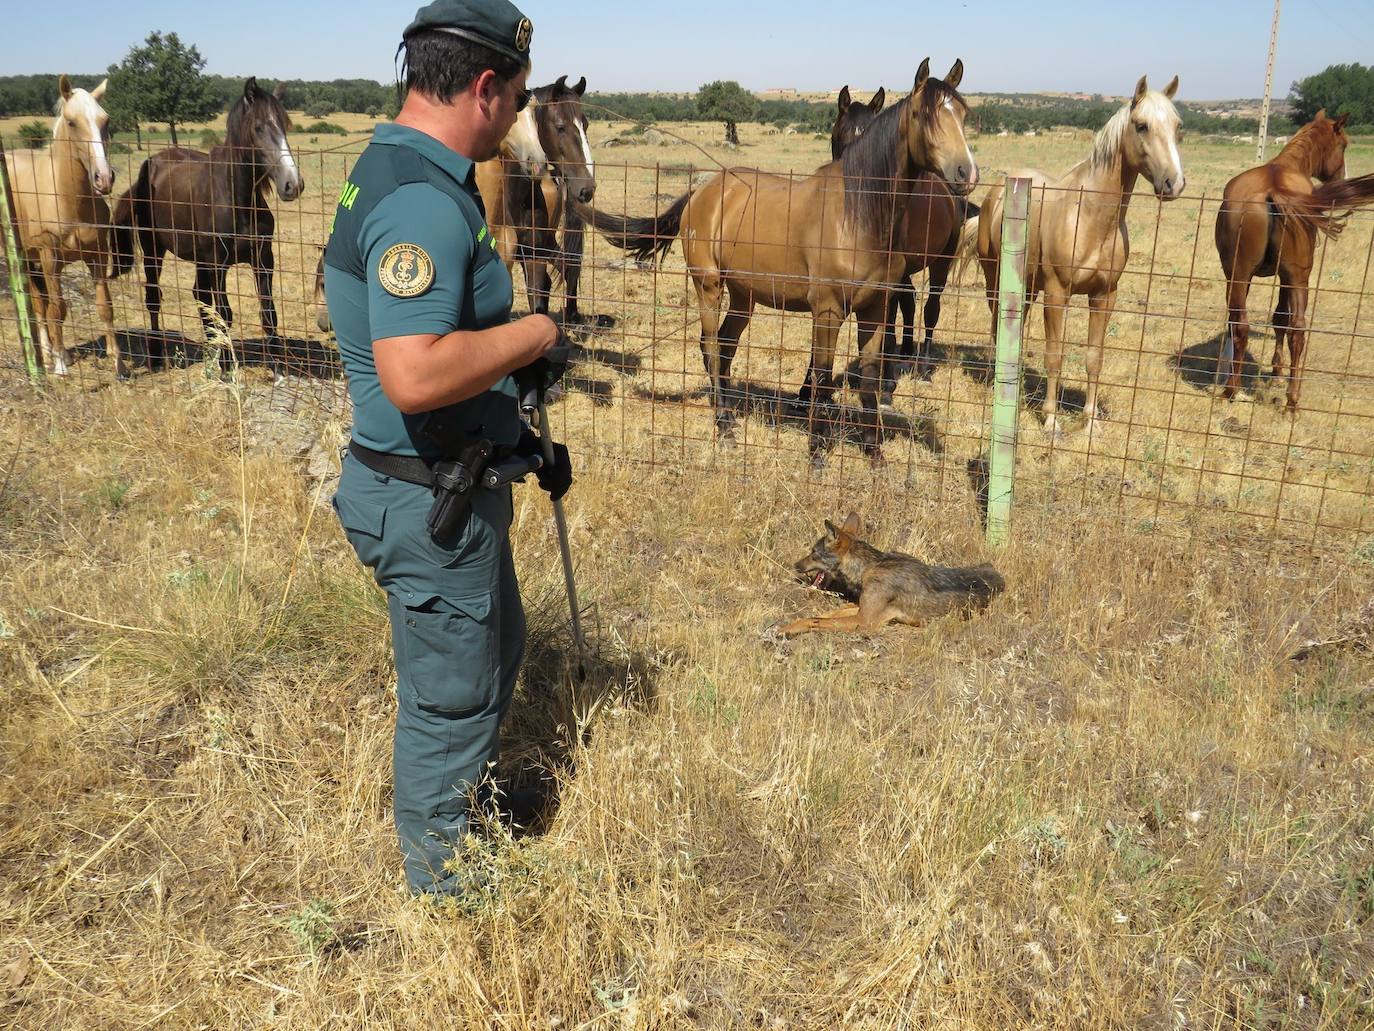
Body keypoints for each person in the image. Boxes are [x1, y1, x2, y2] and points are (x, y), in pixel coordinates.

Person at [323, 0, 572, 897]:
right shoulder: (424, 203)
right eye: (517, 95)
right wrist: (534, 333)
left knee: (493, 654)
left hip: (440, 483)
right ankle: (448, 894)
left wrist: (512, 411)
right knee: (450, 702)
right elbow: (417, 374)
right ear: (483, 87)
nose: (518, 115)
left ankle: (464, 815)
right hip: (428, 502)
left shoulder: (396, 165)